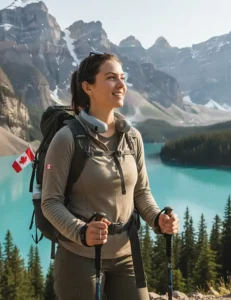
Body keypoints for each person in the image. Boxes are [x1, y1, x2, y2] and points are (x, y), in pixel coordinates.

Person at [41, 51, 179, 300]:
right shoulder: (67, 138)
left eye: (123, 77)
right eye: (111, 77)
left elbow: (141, 193)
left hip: (127, 254)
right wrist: (82, 231)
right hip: (80, 256)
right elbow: (50, 202)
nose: (121, 84)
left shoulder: (132, 137)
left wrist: (158, 219)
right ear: (88, 87)